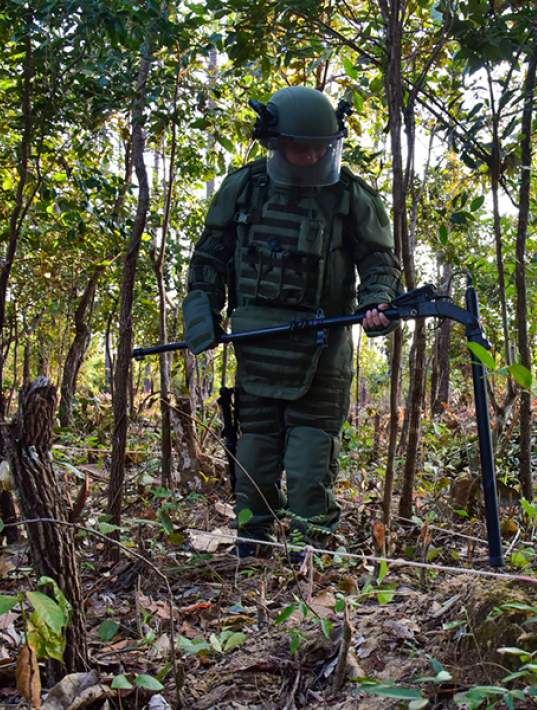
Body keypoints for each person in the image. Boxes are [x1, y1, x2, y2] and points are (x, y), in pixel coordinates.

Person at [182, 86, 402, 556]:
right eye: (300, 146)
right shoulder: (244, 188)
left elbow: (380, 263)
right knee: (255, 456)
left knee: (309, 461)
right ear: (276, 142)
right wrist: (203, 309)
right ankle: (252, 553)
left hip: (324, 352)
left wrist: (377, 302)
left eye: (321, 147)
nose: (311, 155)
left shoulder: (350, 195)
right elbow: (209, 258)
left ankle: (310, 558)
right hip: (257, 347)